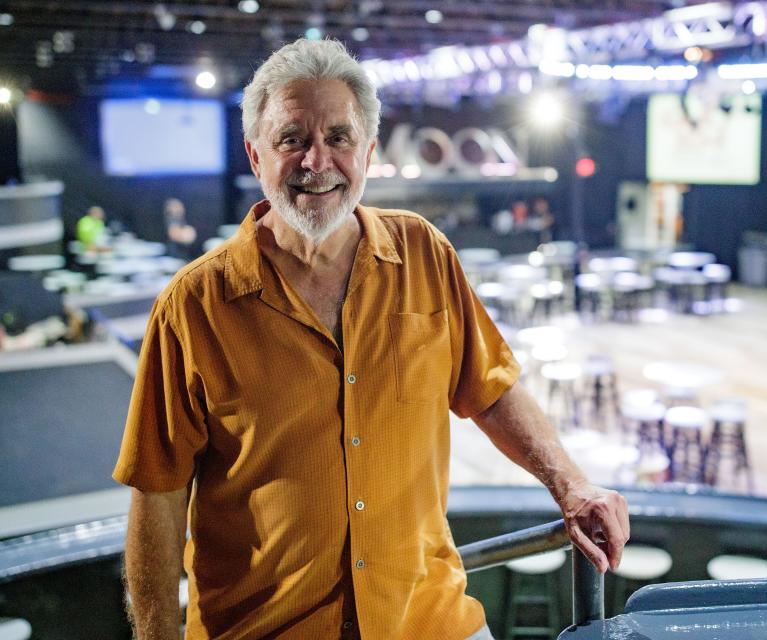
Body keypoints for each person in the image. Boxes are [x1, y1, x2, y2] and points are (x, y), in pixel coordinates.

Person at [115, 38, 629, 640]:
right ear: (256, 157)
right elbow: (158, 493)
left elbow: (489, 389)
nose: (317, 161)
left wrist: (572, 485)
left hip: (428, 619)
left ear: (369, 152)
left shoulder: (424, 254)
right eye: (292, 139)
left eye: (339, 138)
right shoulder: (194, 306)